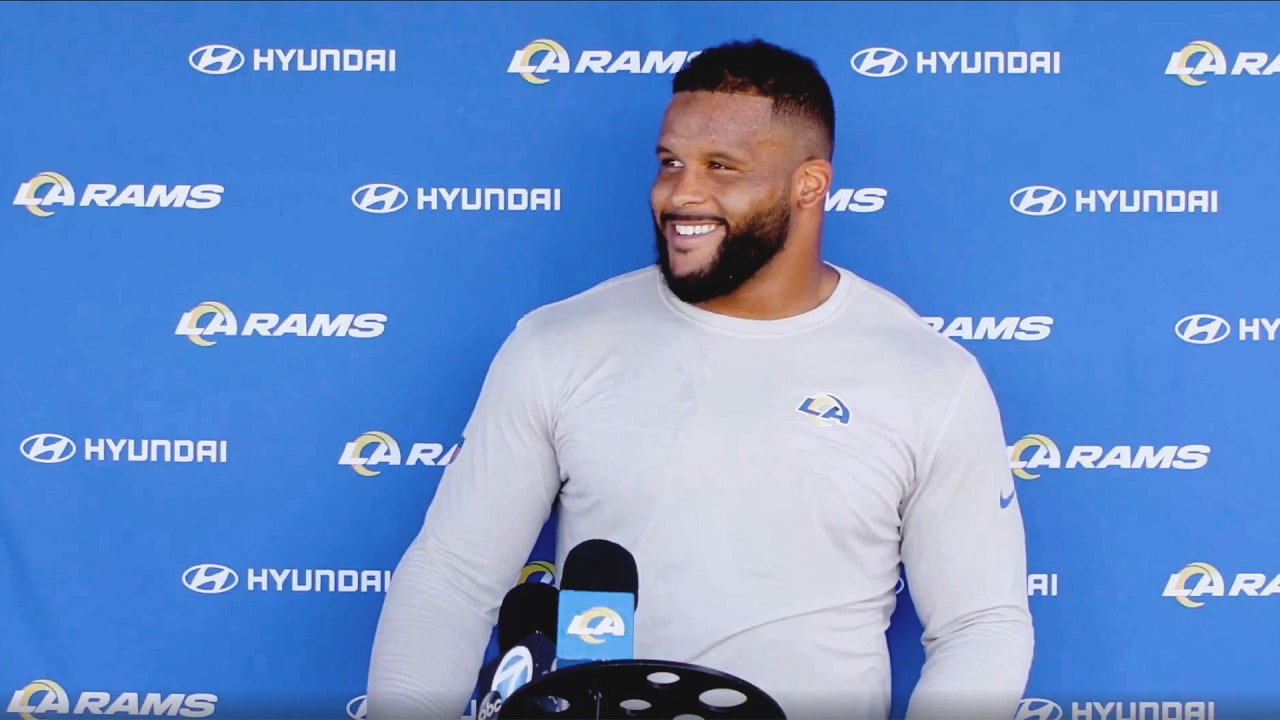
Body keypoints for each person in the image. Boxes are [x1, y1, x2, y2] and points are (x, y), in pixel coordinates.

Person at [365, 38, 1034, 720]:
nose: (682, 192)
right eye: (670, 163)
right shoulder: (557, 343)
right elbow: (451, 579)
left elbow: (980, 626)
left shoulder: (927, 375)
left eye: (722, 167)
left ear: (810, 185)